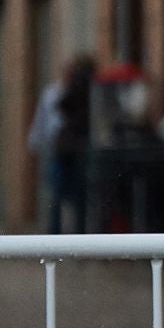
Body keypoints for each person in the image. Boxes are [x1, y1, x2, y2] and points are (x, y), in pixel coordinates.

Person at [28, 54, 97, 234]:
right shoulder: (53, 92)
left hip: (75, 150)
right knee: (57, 194)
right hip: (59, 150)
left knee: (77, 195)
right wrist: (36, 141)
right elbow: (43, 118)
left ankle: (77, 233)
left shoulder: (84, 91)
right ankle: (55, 232)